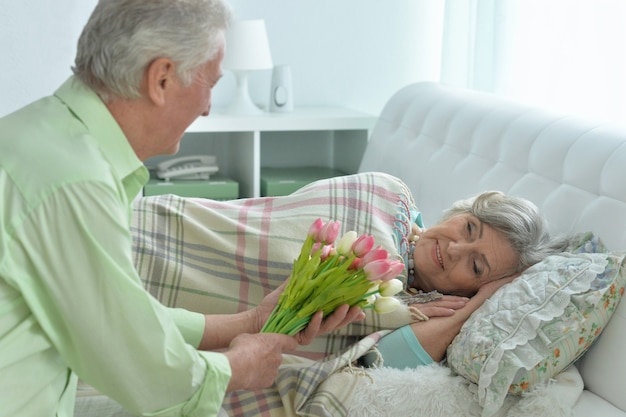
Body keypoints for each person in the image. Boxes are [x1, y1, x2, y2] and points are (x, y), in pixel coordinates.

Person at [0, 1, 364, 417]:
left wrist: (251, 322)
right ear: (162, 79)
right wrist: (237, 368)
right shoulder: (73, 181)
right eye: (211, 82)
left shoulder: (40, 136)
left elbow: (123, 319)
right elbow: (136, 361)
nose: (208, 106)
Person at [361, 191, 568, 369]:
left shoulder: (432, 312)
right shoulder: (392, 208)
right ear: (463, 212)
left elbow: (378, 361)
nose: (454, 249)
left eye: (476, 266)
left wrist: (477, 304)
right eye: (469, 228)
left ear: (474, 290)